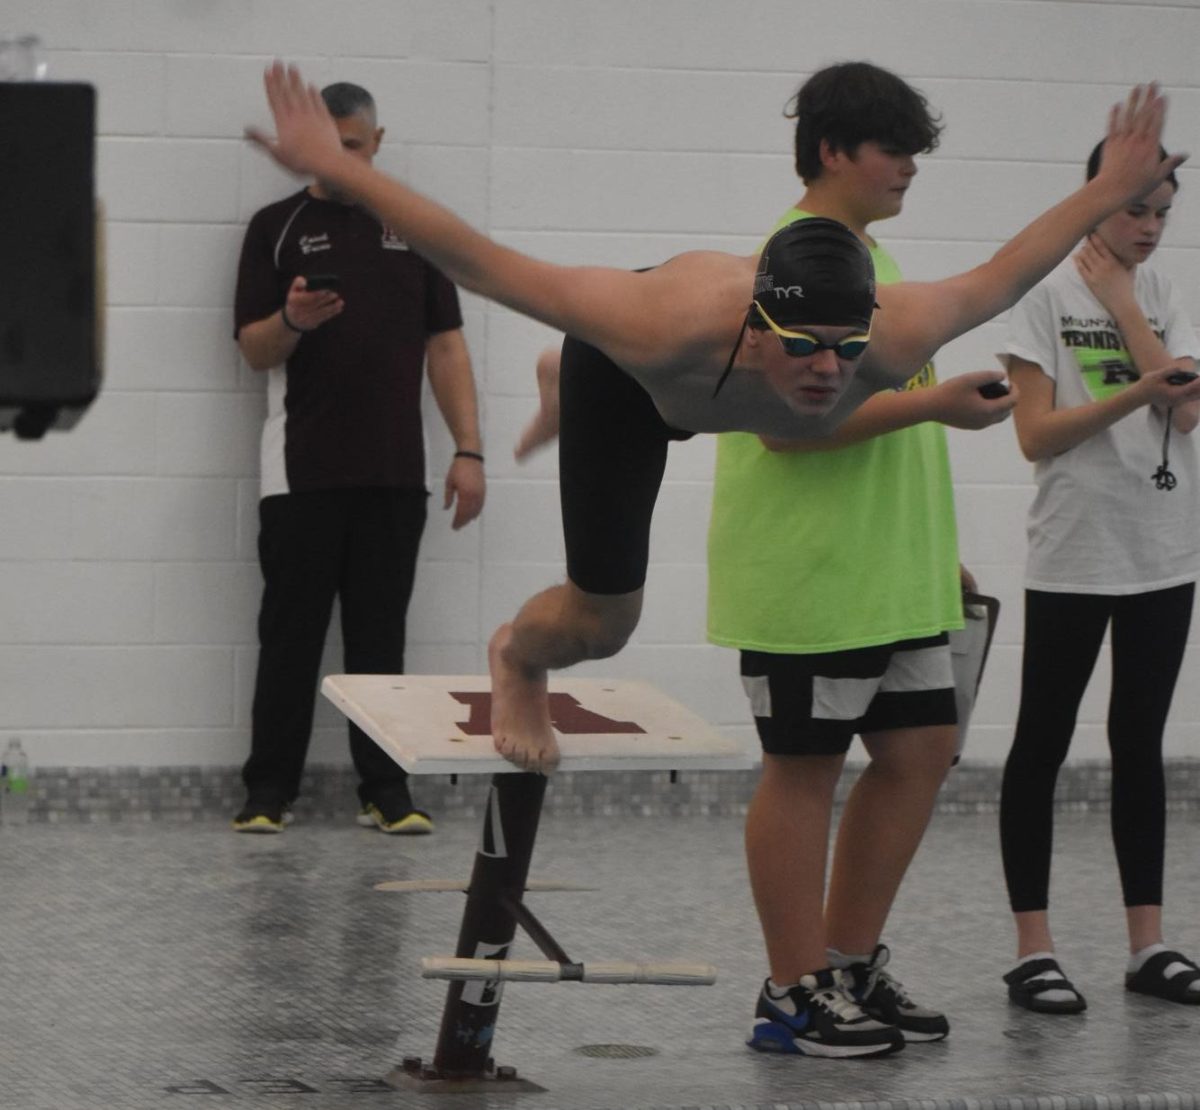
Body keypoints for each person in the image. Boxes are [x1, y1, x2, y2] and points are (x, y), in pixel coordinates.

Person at [248, 62, 1182, 778]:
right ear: (756, 324)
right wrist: (338, 168)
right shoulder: (658, 323)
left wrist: (1108, 192)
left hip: (707, 388)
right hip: (632, 382)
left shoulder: (899, 332)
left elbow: (1011, 268)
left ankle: (558, 385)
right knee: (604, 621)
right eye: (802, 348)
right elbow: (482, 262)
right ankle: (516, 653)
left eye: (843, 349)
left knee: (824, 395)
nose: (826, 372)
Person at [706, 62, 1017, 1059]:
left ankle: (845, 962)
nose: (909, 170)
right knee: (802, 769)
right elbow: (791, 432)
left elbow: (877, 428)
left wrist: (940, 553)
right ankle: (791, 992)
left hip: (897, 573)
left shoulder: (870, 270)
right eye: (895, 150)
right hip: (811, 578)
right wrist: (934, 403)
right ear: (835, 150)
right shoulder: (783, 271)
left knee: (920, 755)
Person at [232, 80, 485, 834]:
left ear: (377, 143)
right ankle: (269, 791)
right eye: (326, 146)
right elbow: (252, 349)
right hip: (300, 473)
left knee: (380, 643)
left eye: (352, 145)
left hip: (394, 474)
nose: (340, 159)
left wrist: (468, 449)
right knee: (290, 637)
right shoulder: (274, 228)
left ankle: (385, 791)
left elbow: (447, 346)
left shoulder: (412, 227)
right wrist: (293, 319)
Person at [999, 140, 1200, 1011]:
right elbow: (1036, 435)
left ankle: (1146, 943)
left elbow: (1188, 409)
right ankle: (1032, 949)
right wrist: (1134, 384)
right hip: (1075, 553)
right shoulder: (1043, 292)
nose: (1151, 229)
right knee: (1041, 743)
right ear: (1097, 197)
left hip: (1162, 550)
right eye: (1135, 210)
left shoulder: (1157, 291)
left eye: (1164, 212)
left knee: (1139, 745)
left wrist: (1126, 309)